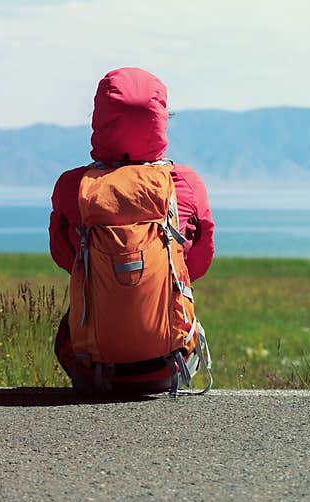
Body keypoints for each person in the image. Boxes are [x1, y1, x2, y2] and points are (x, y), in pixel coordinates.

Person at [48, 67, 215, 390]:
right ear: (160, 119)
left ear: (100, 119)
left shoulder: (73, 186)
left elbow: (63, 256)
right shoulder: (185, 183)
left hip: (92, 369)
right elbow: (200, 261)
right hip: (171, 365)